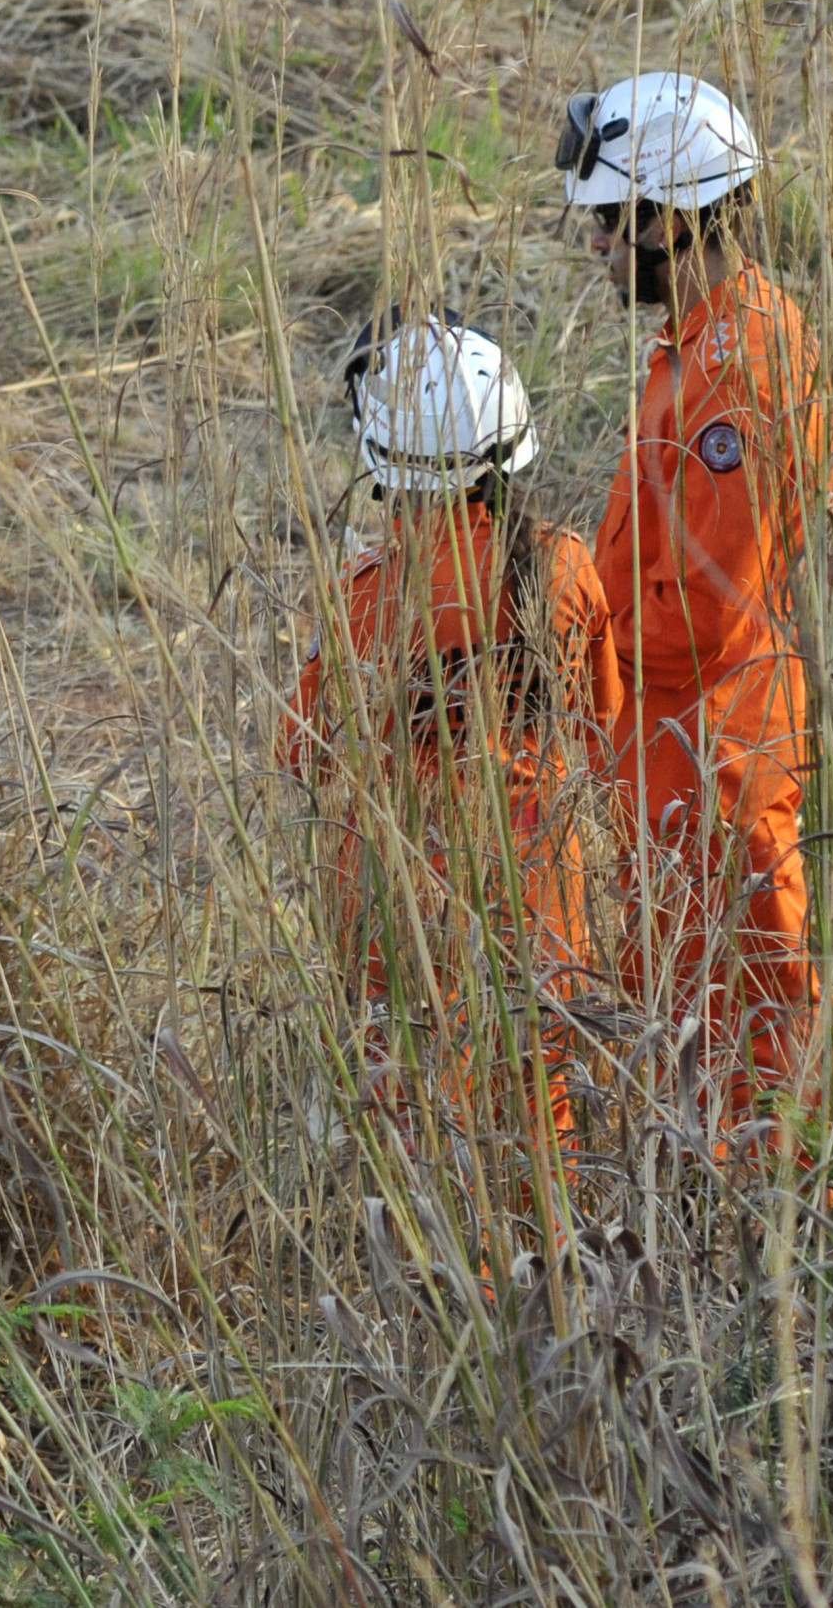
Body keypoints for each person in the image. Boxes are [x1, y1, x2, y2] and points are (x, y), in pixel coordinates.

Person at [553, 71, 833, 1144]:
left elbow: (702, 617)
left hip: (708, 758)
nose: (593, 250)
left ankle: (804, 1233)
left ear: (671, 219)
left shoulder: (737, 371)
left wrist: (567, 635)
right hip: (675, 751)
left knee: (753, 1032)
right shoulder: (703, 339)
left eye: (607, 224)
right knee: (691, 1027)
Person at [286, 314, 624, 1205]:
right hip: (542, 896)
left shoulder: (367, 598)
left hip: (401, 910)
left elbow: (300, 751)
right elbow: (604, 719)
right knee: (540, 1127)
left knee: (421, 1141)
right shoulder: (563, 564)